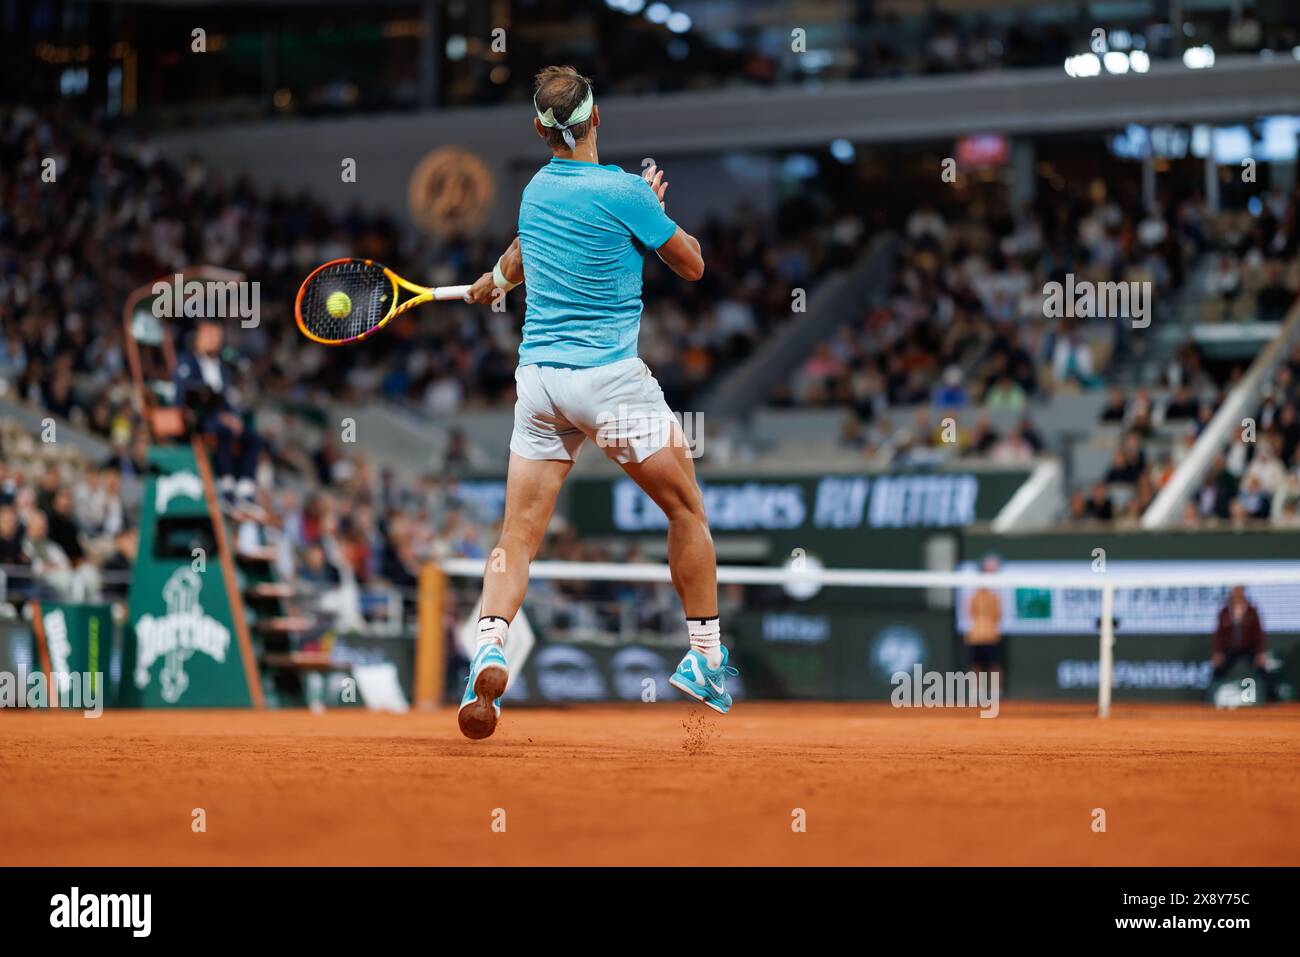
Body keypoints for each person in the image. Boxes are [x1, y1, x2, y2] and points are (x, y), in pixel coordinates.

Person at [459, 65, 718, 740]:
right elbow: (691, 264)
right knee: (685, 508)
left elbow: (522, 251)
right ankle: (706, 659)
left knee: (517, 535)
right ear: (596, 119)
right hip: (609, 383)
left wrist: (494, 278)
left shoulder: (534, 190)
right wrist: (652, 213)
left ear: (540, 131)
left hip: (541, 383)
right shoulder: (625, 191)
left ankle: (489, 642)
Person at [174, 318, 262, 509]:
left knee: (253, 437)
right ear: (198, 337)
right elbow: (185, 396)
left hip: (222, 419)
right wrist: (219, 415)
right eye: (210, 335)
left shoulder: (223, 369)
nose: (214, 340)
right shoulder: (186, 361)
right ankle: (227, 486)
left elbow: (228, 401)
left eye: (217, 336)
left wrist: (234, 418)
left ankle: (246, 489)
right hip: (200, 419)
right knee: (224, 431)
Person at [1210, 586, 1281, 702]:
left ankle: (1273, 698)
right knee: (1217, 671)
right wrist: (1217, 653)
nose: (1237, 593)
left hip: (1249, 649)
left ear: (1243, 591)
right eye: (1235, 590)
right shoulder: (1225, 611)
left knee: (1264, 671)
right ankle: (1207, 700)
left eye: (1239, 590)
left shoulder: (1252, 610)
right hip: (1230, 649)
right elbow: (1218, 634)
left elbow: (1259, 634)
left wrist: (1260, 653)